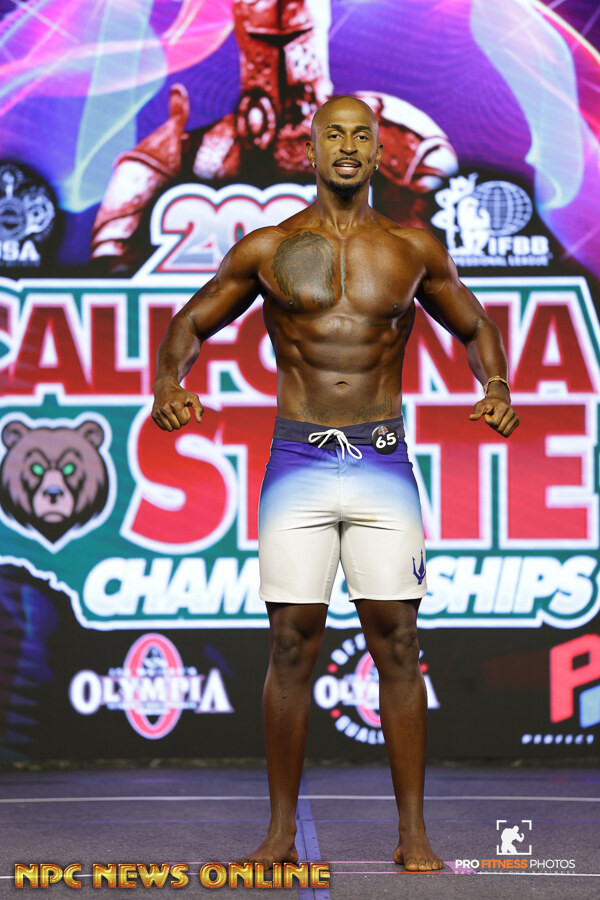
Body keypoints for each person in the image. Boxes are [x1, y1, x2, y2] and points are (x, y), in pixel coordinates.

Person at [151, 95, 519, 872]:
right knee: (290, 644)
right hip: (300, 462)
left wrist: (495, 385)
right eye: (333, 136)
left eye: (361, 136)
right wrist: (168, 383)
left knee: (399, 642)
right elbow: (190, 322)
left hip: (382, 461)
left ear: (379, 153)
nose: (347, 147)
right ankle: (280, 835)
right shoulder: (268, 248)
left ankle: (413, 835)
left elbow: (476, 324)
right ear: (311, 150)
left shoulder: (413, 249)